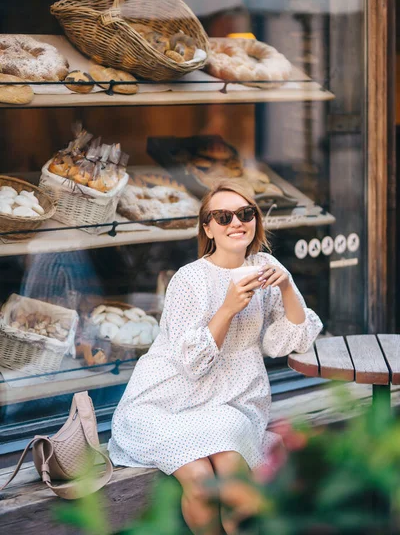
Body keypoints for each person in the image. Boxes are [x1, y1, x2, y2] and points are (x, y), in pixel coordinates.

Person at [108, 179, 322, 534]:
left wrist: (285, 285)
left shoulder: (264, 266)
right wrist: (226, 309)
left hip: (232, 400)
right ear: (207, 227)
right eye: (223, 217)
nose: (236, 222)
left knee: (233, 476)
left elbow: (290, 339)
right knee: (199, 479)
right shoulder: (188, 280)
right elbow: (190, 364)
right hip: (166, 399)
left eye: (245, 213)